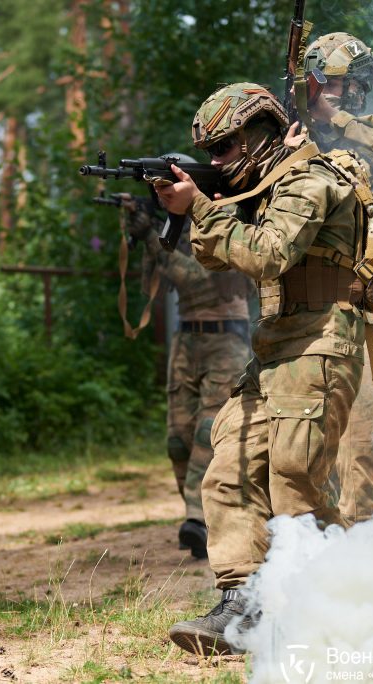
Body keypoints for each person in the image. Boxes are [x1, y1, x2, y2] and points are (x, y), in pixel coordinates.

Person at [156, 83, 373, 655]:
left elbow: (267, 254)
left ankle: (350, 596)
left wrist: (201, 208)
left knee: (294, 480)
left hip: (320, 345)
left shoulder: (314, 179)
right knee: (227, 468)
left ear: (259, 135)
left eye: (225, 147)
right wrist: (197, 209)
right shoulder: (267, 187)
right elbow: (224, 255)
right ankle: (242, 604)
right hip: (275, 347)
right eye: (210, 152)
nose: (216, 162)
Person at [287, 32, 373, 524]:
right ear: (313, 83)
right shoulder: (290, 139)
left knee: (365, 433)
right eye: (335, 84)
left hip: (369, 309)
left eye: (353, 84)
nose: (347, 93)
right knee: (300, 440)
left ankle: (363, 548)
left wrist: (334, 120)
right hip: (303, 312)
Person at [120, 171, 253, 560]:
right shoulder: (174, 229)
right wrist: (145, 234)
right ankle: (199, 521)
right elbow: (151, 284)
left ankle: (199, 517)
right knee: (177, 440)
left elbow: (196, 279)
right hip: (187, 341)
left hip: (227, 339)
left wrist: (150, 237)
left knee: (207, 435)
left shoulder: (227, 220)